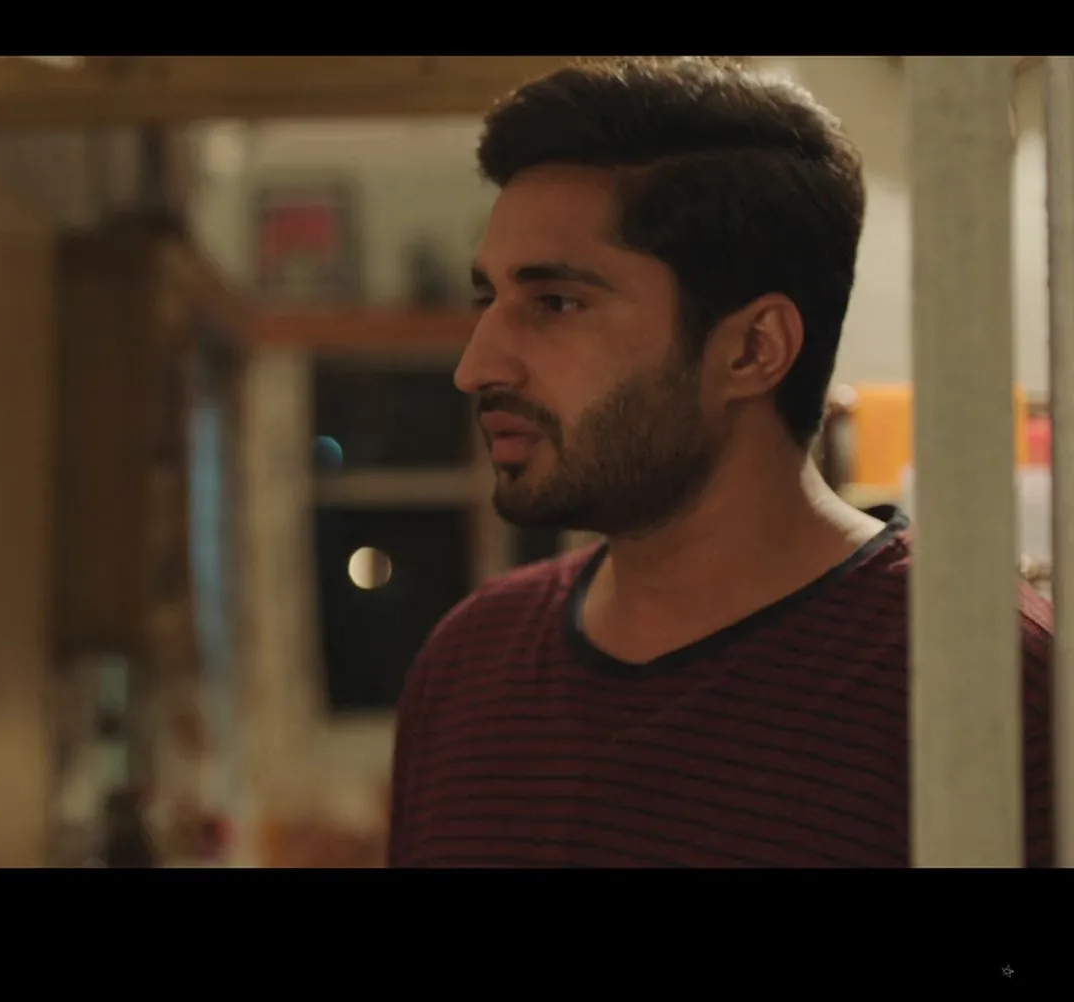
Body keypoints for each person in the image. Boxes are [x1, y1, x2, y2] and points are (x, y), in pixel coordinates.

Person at [387, 57, 1056, 868]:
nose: (476, 366)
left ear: (752, 349)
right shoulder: (467, 665)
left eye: (555, 303)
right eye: (486, 300)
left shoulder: (990, 680)